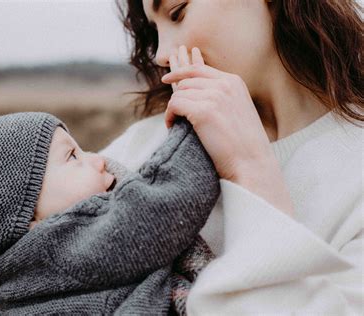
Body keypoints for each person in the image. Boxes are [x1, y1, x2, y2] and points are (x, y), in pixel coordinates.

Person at [99, 0, 363, 314]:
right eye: (155, 30)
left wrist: (249, 168)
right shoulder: (137, 150)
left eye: (177, 12)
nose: (162, 54)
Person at [0, 112, 220, 314]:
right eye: (73, 157)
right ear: (25, 220)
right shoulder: (62, 247)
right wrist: (197, 124)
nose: (98, 159)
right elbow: (166, 202)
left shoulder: (13, 280)